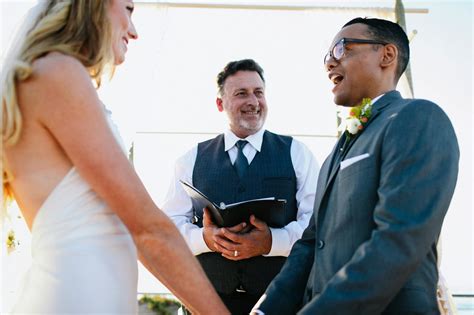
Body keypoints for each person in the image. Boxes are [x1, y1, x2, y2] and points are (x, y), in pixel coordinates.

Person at [1, 1, 229, 314]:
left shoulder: (46, 75)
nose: (134, 32)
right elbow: (148, 229)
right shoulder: (58, 72)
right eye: (129, 9)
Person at [252, 17, 459, 315]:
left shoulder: (417, 118)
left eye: (341, 49)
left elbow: (398, 240)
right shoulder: (335, 152)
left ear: (387, 55)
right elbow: (309, 247)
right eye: (327, 57)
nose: (329, 64)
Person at [162, 58, 319, 314]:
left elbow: (315, 224)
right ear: (220, 104)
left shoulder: (297, 153)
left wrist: (272, 241)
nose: (253, 101)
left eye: (259, 93)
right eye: (241, 93)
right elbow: (169, 228)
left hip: (280, 302)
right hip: (206, 302)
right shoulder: (190, 159)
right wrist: (205, 238)